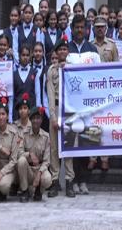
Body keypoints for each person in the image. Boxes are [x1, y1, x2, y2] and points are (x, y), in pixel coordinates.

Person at [88, 16, 119, 171]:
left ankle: (105, 158)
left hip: (107, 91)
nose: (100, 29)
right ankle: (93, 157)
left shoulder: (112, 45)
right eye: (97, 27)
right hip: (93, 91)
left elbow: (117, 69)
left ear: (106, 28)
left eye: (102, 27)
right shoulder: (89, 45)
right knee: (94, 123)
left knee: (106, 124)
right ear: (93, 28)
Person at [46, 35, 76, 197]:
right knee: (54, 148)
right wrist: (52, 116)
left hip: (70, 110)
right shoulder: (51, 71)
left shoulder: (74, 68)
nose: (63, 52)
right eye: (60, 50)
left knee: (69, 146)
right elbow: (50, 95)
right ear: (56, 53)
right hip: (56, 108)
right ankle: (55, 181)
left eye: (65, 49)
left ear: (68, 52)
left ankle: (70, 181)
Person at [17, 106, 52, 202]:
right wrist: (29, 154)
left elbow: (47, 161)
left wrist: (39, 174)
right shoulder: (23, 134)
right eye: (33, 118)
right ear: (30, 119)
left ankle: (38, 191)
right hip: (28, 169)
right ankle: (24, 191)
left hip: (40, 168)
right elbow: (19, 153)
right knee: (21, 160)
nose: (36, 121)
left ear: (41, 120)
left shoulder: (46, 137)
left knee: (48, 179)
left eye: (38, 118)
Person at [12, 45, 37, 121]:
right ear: (19, 56)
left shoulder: (35, 72)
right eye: (23, 55)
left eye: (27, 55)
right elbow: (12, 96)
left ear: (30, 56)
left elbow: (37, 94)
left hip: (31, 112)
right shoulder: (14, 74)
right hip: (17, 112)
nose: (25, 57)